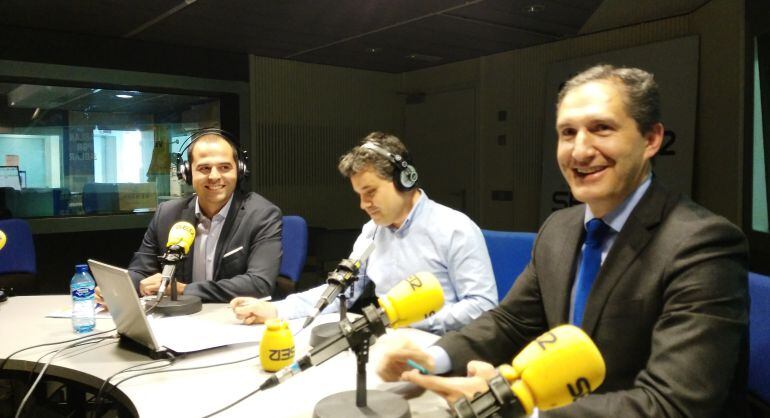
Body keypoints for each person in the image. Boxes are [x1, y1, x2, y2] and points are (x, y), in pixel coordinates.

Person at [377, 65, 750, 417]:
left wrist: (521, 408)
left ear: (651, 139)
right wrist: (435, 358)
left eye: (602, 128)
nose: (580, 150)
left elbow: (672, 405)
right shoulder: (559, 228)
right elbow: (511, 322)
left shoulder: (703, 245)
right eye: (568, 133)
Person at [230, 132, 498, 334]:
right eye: (359, 195)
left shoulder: (455, 229)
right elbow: (342, 291)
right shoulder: (372, 232)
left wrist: (411, 321)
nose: (363, 205)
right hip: (390, 340)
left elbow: (482, 306)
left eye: (370, 192)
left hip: (443, 346)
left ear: (405, 180)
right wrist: (276, 309)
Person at [109, 129, 282, 303]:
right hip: (179, 319)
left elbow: (259, 284)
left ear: (239, 170)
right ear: (187, 173)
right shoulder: (167, 214)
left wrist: (184, 290)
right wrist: (117, 289)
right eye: (204, 168)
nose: (214, 176)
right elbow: (141, 271)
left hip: (232, 317)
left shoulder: (262, 215)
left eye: (224, 167)